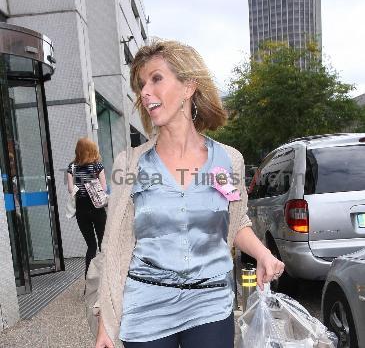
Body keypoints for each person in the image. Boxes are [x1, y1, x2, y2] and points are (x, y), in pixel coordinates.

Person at [93, 40, 285, 348]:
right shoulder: (129, 164)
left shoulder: (227, 160)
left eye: (156, 79)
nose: (144, 92)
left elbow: (236, 222)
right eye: (141, 85)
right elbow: (113, 246)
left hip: (210, 303)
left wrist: (263, 253)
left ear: (188, 86)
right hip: (146, 306)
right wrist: (106, 322)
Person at [67, 137, 107, 278]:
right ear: (91, 150)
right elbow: (103, 188)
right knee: (103, 244)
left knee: (91, 246)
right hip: (97, 208)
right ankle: (105, 280)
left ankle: (89, 280)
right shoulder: (97, 166)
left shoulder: (72, 167)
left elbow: (71, 189)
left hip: (81, 209)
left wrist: (81, 188)